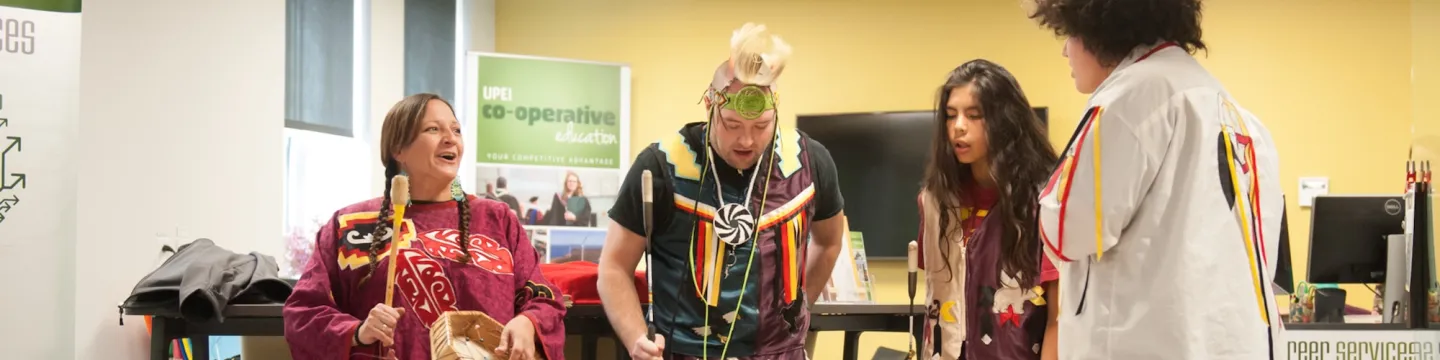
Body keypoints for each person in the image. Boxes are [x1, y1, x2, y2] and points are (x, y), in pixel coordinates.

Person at [1028, 0, 1284, 358]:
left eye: (1069, 33)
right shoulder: (1242, 119)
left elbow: (1068, 229)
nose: (1064, 50)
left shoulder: (1129, 98)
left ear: (1100, 29)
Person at [597, 23, 847, 360]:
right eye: (732, 125)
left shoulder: (810, 162)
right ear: (710, 107)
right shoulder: (660, 165)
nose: (746, 140)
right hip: (683, 352)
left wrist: (795, 313)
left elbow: (830, 241)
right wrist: (635, 338)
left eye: (761, 127)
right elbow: (613, 267)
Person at [283, 93, 568, 360]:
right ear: (399, 148)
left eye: (456, 130)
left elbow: (544, 298)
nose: (450, 139)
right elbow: (303, 312)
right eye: (433, 129)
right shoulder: (350, 225)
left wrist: (527, 322)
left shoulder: (497, 219)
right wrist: (358, 332)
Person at [915, 60, 1060, 360]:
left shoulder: (1045, 201)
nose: (958, 126)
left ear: (1004, 121)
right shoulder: (934, 201)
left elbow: (1060, 319)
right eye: (951, 115)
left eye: (974, 115)